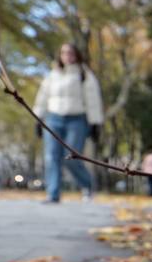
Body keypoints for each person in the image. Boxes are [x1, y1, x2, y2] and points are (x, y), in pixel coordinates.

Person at [33, 42, 103, 203]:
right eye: (64, 53)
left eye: (71, 53)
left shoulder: (84, 74)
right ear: (60, 55)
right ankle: (53, 194)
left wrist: (95, 123)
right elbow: (43, 97)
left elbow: (93, 100)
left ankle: (87, 185)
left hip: (77, 119)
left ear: (77, 55)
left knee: (71, 157)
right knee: (51, 156)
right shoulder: (52, 75)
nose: (67, 56)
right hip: (53, 118)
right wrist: (38, 118)